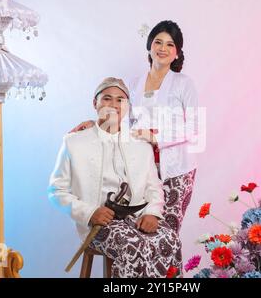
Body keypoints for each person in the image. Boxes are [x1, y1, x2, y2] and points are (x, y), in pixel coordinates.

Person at [71, 21, 199, 234]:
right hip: (140, 165)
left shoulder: (184, 84)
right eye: (158, 42)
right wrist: (96, 123)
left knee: (168, 231)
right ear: (150, 47)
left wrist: (156, 136)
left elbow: (194, 127)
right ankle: (141, 267)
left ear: (177, 53)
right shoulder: (133, 83)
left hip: (177, 169)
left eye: (170, 45)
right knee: (141, 230)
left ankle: (170, 269)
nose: (163, 48)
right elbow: (120, 117)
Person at [48, 77, 182, 278]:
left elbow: (153, 186)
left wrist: (153, 213)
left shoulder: (140, 142)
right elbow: (55, 191)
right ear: (95, 103)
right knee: (133, 246)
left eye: (120, 100)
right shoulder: (74, 142)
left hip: (136, 218)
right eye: (107, 98)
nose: (114, 105)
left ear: (127, 106)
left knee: (170, 239)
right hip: (98, 224)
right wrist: (90, 212)